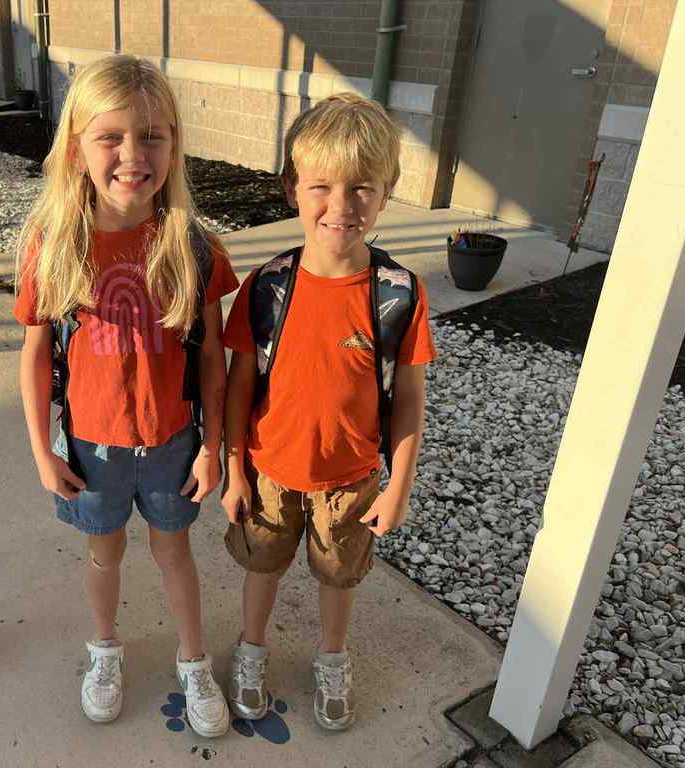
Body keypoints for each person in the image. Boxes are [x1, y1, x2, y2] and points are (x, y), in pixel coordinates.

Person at [14, 54, 238, 736]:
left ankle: (193, 658)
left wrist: (213, 449)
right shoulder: (55, 247)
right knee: (102, 554)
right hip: (93, 451)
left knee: (175, 554)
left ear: (174, 144)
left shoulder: (192, 247)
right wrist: (39, 451)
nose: (133, 155)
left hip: (173, 447)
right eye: (111, 137)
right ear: (77, 144)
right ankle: (105, 649)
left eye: (153, 136)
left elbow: (213, 364)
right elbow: (32, 355)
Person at [219, 93, 437, 730]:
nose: (341, 207)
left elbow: (409, 401)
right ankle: (251, 649)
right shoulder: (267, 287)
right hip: (267, 473)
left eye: (361, 188)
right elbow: (238, 389)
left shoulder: (397, 294)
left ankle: (332, 658)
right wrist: (234, 470)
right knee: (262, 567)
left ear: (387, 192)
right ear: (292, 187)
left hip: (349, 482)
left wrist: (398, 486)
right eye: (321, 186)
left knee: (337, 578)